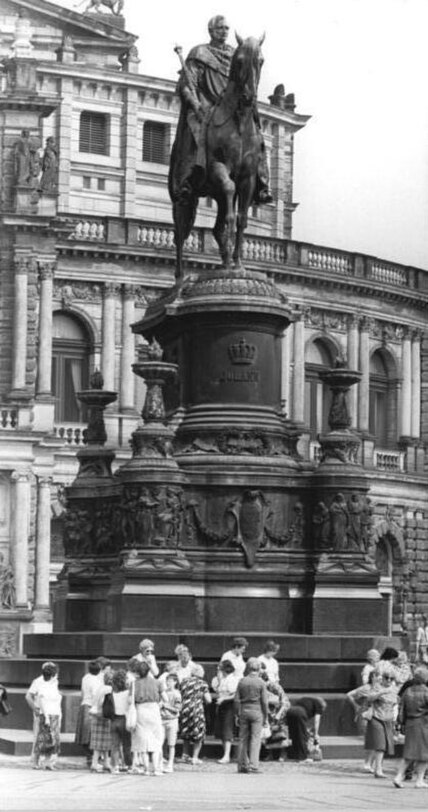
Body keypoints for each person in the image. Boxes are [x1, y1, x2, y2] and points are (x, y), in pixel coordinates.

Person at [169, 15, 272, 209]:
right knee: (196, 130)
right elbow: (186, 85)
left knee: (255, 133)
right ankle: (189, 177)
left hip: (231, 107)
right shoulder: (199, 53)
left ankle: (262, 181)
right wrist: (195, 103)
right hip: (205, 105)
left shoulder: (236, 54)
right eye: (220, 28)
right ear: (211, 31)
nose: (224, 31)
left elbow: (243, 79)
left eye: (226, 28)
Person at [393, 666, 428, 788]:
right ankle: (419, 780)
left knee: (408, 753)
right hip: (424, 724)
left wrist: (401, 723)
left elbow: (401, 709)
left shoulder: (408, 691)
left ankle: (398, 777)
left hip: (410, 724)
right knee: (424, 754)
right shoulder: (426, 692)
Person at [234, 657, 268, 773]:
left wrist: (237, 714)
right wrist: (266, 716)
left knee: (243, 739)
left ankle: (242, 765)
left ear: (248, 668)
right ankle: (253, 765)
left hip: (244, 711)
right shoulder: (261, 682)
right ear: (258, 669)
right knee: (255, 739)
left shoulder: (242, 681)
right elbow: (264, 702)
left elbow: (236, 700)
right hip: (257, 711)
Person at [26, 662, 62, 770]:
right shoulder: (38, 682)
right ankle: (35, 761)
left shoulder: (55, 682)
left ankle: (48, 762)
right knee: (40, 738)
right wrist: (36, 709)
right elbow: (29, 696)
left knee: (52, 739)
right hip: (43, 714)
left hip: (55, 713)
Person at [364, 665, 398, 778]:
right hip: (376, 718)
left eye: (391, 678)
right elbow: (369, 698)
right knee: (380, 745)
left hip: (388, 719)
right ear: (382, 678)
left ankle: (376, 767)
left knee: (385, 745)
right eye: (386, 677)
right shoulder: (377, 687)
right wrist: (382, 692)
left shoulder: (394, 689)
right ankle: (378, 770)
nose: (388, 680)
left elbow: (395, 703)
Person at [131, 660, 163, 775]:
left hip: (140, 710)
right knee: (156, 739)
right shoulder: (157, 682)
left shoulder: (134, 684)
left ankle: (146, 769)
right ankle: (156, 768)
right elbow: (165, 698)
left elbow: (131, 700)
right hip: (154, 710)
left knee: (143, 742)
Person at [347, 670, 381, 772]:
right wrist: (356, 706)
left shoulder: (381, 688)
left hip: (378, 715)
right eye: (377, 677)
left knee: (377, 741)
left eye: (380, 677)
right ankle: (367, 764)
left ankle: (372, 764)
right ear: (372, 677)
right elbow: (349, 694)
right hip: (366, 715)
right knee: (371, 740)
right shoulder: (366, 688)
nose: (379, 679)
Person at [179, 662, 212, 764]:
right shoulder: (202, 683)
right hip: (196, 710)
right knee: (198, 733)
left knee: (186, 732)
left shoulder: (184, 681)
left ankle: (185, 755)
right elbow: (209, 700)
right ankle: (195, 757)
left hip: (184, 708)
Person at [211, 659, 239, 764]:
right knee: (222, 731)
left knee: (227, 731)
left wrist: (224, 699)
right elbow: (218, 690)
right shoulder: (222, 679)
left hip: (229, 707)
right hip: (221, 706)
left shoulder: (232, 679)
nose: (218, 669)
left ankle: (227, 755)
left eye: (220, 668)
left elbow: (235, 694)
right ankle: (225, 754)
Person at [75, 659, 101, 767]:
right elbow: (96, 695)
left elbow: (82, 692)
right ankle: (92, 758)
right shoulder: (97, 680)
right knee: (91, 734)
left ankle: (89, 757)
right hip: (92, 706)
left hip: (84, 704)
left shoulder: (85, 677)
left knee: (85, 734)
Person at [286, 696, 327, 762]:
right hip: (299, 712)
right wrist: (316, 733)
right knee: (301, 736)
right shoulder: (319, 704)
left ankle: (293, 756)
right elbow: (317, 720)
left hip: (290, 711)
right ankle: (302, 758)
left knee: (294, 735)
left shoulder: (306, 700)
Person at [89, 665, 113, 773]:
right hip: (103, 716)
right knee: (103, 742)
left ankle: (104, 763)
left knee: (99, 742)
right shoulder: (109, 689)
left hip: (95, 715)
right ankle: (96, 764)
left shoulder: (100, 688)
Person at [110, 669, 132, 773]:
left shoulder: (112, 693)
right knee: (126, 744)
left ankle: (115, 766)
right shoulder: (127, 693)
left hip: (114, 720)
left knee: (115, 745)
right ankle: (128, 765)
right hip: (124, 719)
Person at [160, 672, 182, 772]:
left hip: (172, 720)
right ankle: (160, 762)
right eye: (167, 681)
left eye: (170, 681)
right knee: (160, 742)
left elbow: (177, 709)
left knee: (171, 743)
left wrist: (166, 706)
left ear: (175, 682)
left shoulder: (177, 694)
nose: (168, 683)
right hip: (162, 719)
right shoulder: (163, 692)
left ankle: (170, 764)